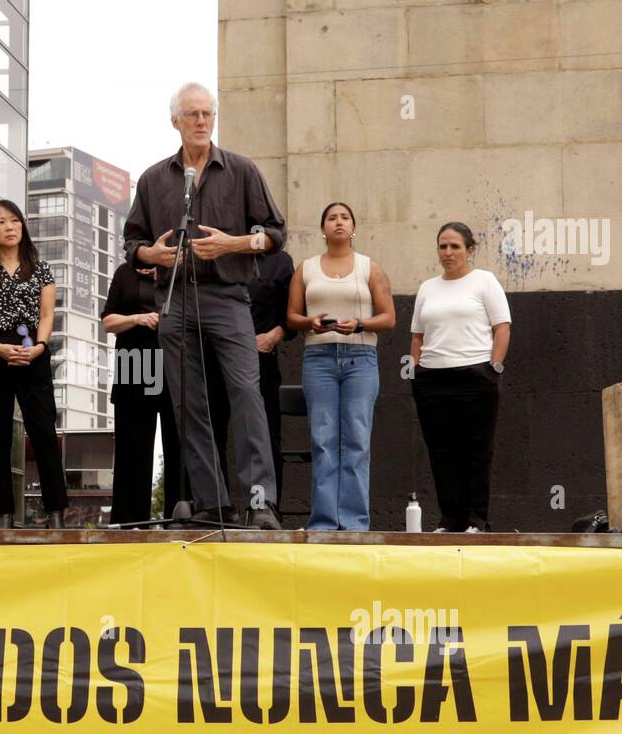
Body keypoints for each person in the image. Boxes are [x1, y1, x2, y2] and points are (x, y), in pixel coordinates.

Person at [125, 82, 285, 529]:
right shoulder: (153, 179)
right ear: (175, 121)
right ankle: (211, 502)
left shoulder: (241, 170)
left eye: (207, 114)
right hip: (174, 297)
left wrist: (235, 244)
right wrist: (151, 255)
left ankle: (259, 501)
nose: (201, 121)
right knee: (188, 403)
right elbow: (132, 242)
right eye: (192, 114)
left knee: (246, 393)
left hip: (228, 296)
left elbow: (276, 234)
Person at [287, 202, 396, 530]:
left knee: (356, 440)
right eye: (331, 218)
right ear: (323, 228)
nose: (338, 222)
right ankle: (323, 522)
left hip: (360, 358)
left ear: (353, 227)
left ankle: (353, 523)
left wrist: (360, 324)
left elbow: (388, 317)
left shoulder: (369, 267)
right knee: (323, 439)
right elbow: (291, 317)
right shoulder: (305, 269)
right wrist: (310, 322)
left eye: (345, 217)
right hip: (318, 358)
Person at [0, 199, 69, 529]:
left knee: (43, 432)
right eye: (0, 222)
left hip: (31, 353)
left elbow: (47, 315)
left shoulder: (41, 268)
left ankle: (56, 513)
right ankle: (4, 516)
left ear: (22, 225)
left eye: (14, 220)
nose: (9, 227)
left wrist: (40, 346)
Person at [410, 222, 512, 533]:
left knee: (477, 452)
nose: (448, 252)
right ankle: (450, 519)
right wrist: (416, 370)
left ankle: (477, 520)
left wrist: (493, 368)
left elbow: (502, 328)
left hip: (475, 375)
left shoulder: (484, 281)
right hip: (432, 379)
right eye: (443, 246)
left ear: (470, 250)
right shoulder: (427, 288)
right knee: (442, 453)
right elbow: (417, 335)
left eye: (455, 246)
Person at [203, 247, 296, 511]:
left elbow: (290, 315)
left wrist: (273, 337)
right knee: (213, 433)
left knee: (266, 433)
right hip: (215, 356)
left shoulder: (279, 261)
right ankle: (217, 509)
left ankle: (266, 508)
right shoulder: (216, 254)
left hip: (261, 356)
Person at [101, 262, 180, 526]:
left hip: (173, 359)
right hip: (133, 360)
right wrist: (138, 318)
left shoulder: (179, 267)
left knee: (178, 444)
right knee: (131, 446)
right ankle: (128, 522)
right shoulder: (124, 272)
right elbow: (108, 322)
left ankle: (178, 519)